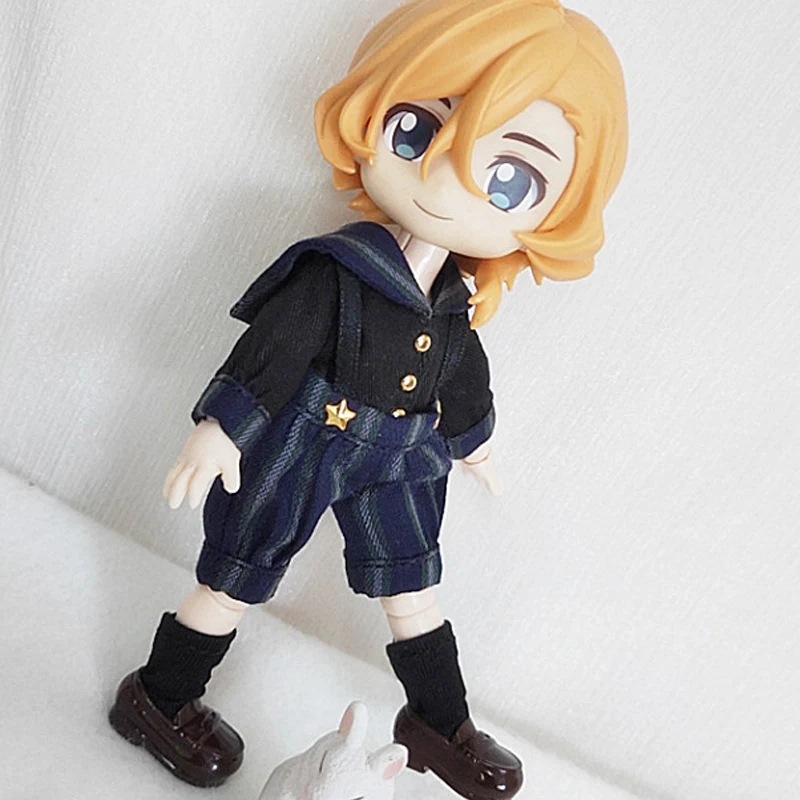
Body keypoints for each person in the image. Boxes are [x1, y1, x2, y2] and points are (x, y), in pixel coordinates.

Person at [109, 1, 628, 797]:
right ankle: (159, 697)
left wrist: (475, 439)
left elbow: (461, 372)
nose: (446, 183)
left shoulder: (452, 301)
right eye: (416, 132)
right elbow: (276, 347)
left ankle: (439, 722)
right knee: (236, 576)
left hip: (399, 454)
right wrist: (222, 425)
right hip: (302, 443)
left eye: (507, 179)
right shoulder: (337, 270)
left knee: (413, 584)